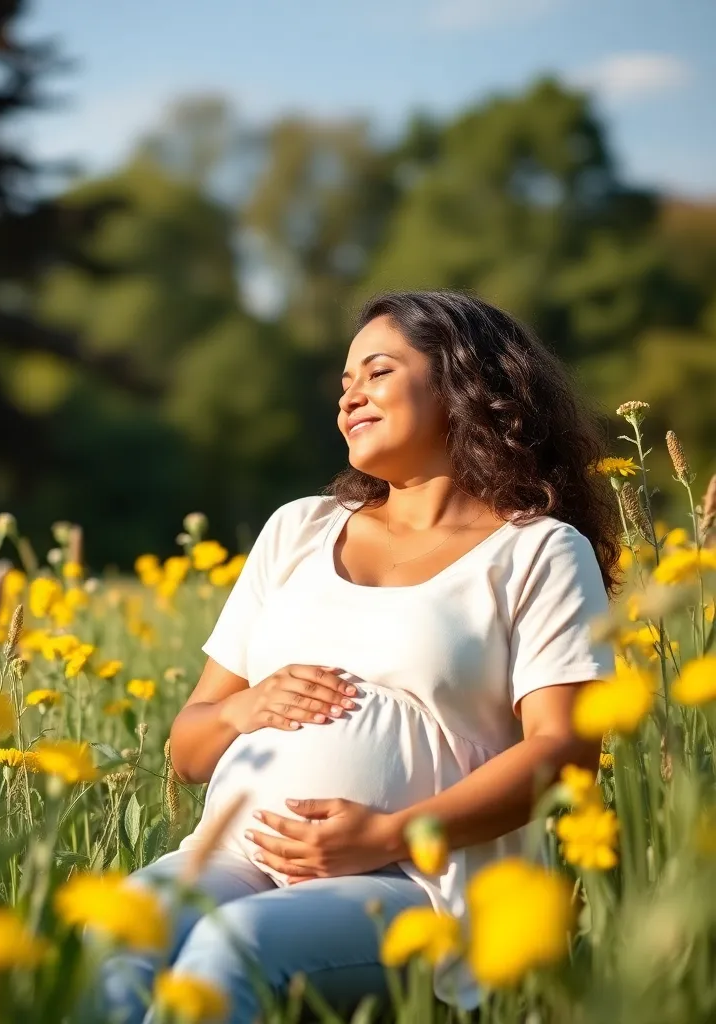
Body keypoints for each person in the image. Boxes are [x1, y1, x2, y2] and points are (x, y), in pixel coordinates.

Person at [91, 290, 620, 1023]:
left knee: (232, 948)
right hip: (239, 857)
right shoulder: (297, 531)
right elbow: (187, 748)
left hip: (426, 881)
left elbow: (565, 752)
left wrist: (387, 834)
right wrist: (246, 707)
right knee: (116, 937)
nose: (350, 399)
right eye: (344, 385)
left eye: (376, 373)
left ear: (463, 384)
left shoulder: (537, 550)